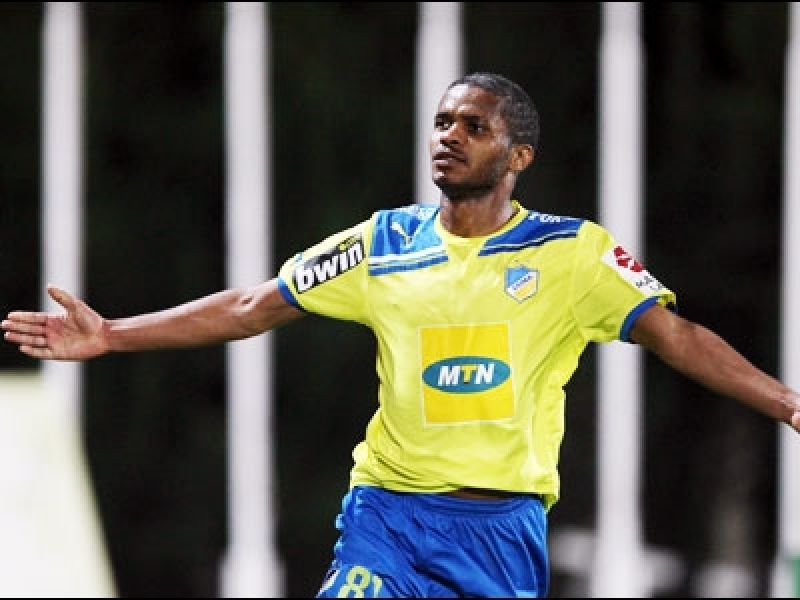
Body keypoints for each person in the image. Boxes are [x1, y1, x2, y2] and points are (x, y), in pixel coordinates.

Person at [3, 71, 799, 598]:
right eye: (442, 122)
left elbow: (677, 335)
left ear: (518, 156)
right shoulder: (381, 244)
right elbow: (252, 305)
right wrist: (113, 335)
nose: (450, 135)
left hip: (501, 533)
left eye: (474, 126)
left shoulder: (572, 254)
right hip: (388, 516)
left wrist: (785, 402)